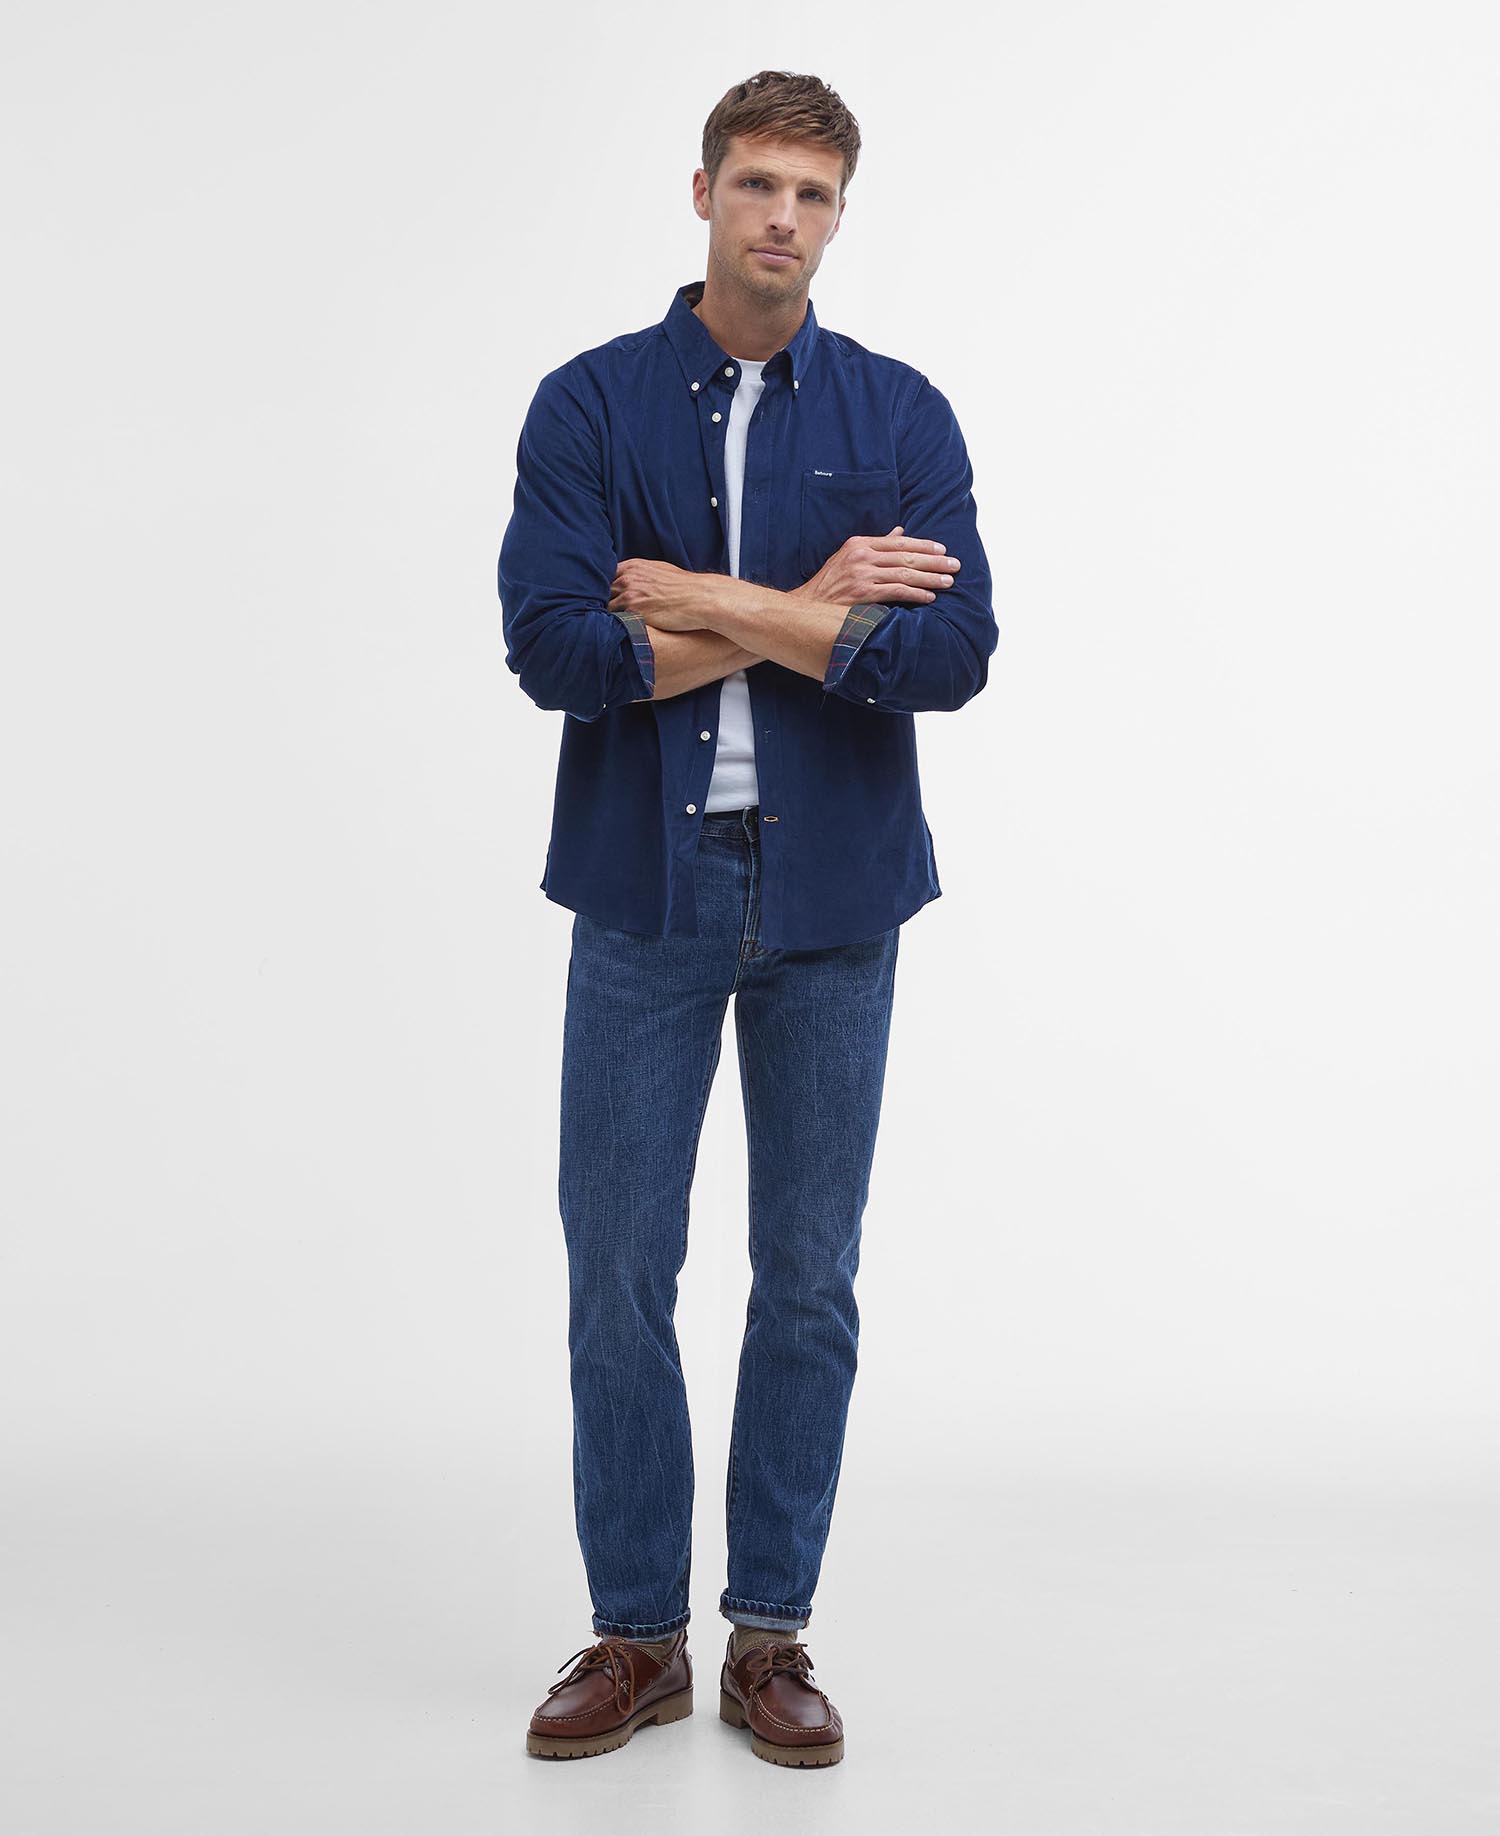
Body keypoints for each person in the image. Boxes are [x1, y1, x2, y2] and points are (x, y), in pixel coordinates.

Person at [498, 68, 996, 1767]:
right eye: (760, 183)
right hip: (645, 885)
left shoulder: (900, 414)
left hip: (838, 891)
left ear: (842, 216)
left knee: (807, 1279)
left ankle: (768, 1636)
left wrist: (708, 602)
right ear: (702, 190)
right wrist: (814, 612)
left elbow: (949, 658)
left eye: (816, 193)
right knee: (619, 1266)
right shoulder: (591, 404)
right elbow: (558, 649)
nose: (785, 217)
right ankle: (637, 1635)